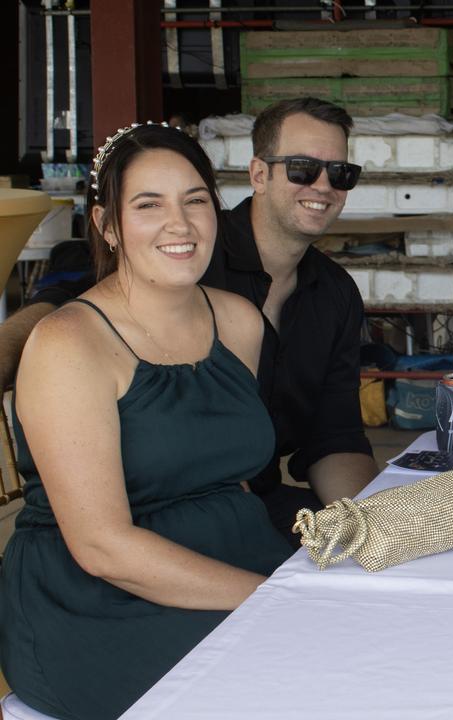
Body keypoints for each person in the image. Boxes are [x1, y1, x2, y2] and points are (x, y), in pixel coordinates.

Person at [0, 123, 293, 720]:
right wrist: (275, 598)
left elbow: (227, 474)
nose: (180, 225)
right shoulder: (69, 343)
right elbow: (103, 546)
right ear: (108, 224)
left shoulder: (239, 321)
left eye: (195, 201)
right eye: (148, 205)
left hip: (232, 560)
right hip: (96, 602)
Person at [0, 97, 379, 543]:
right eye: (302, 168)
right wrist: (8, 349)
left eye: (340, 173)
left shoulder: (335, 293)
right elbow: (77, 300)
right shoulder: (182, 254)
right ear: (258, 174)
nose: (322, 186)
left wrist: (368, 527)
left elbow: (334, 437)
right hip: (151, 518)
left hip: (247, 506)